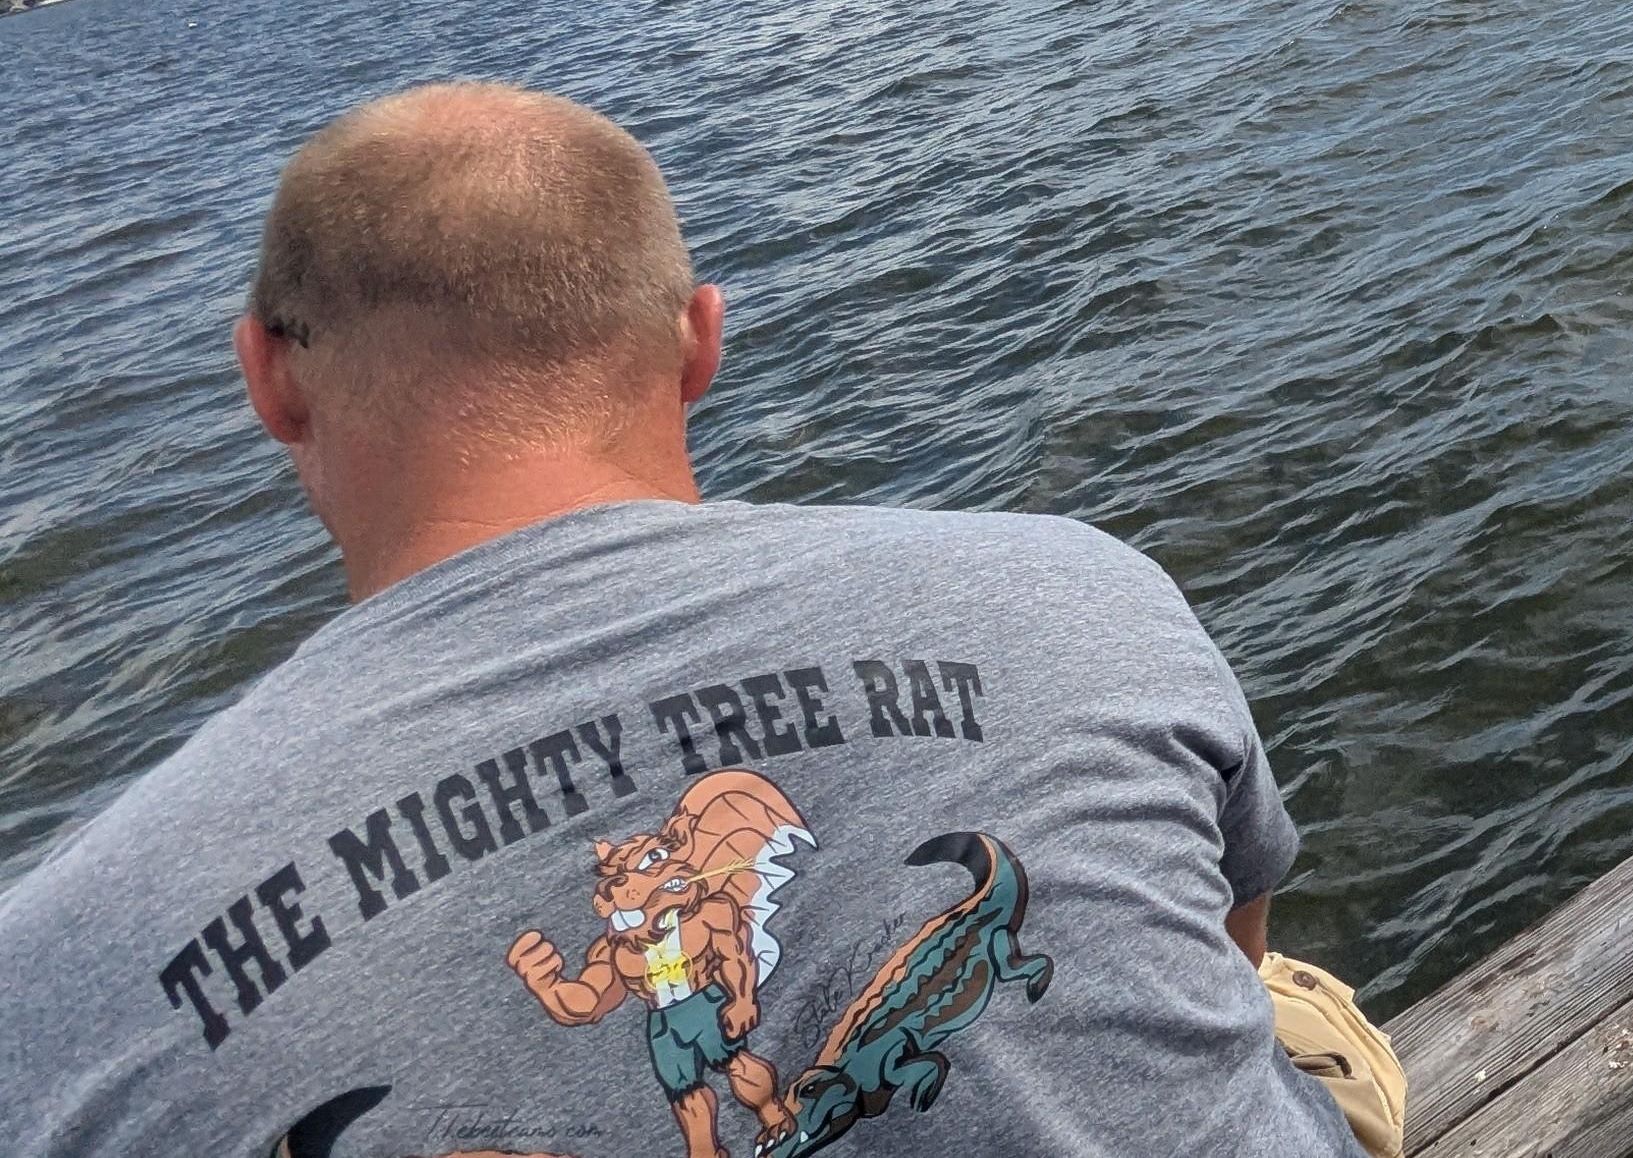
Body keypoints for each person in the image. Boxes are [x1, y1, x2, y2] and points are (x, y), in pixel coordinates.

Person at [0, 83, 1406, 1158]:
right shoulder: (1083, 588)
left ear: (266, 377)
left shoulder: (52, 977)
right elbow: (1221, 954)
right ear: (702, 340)